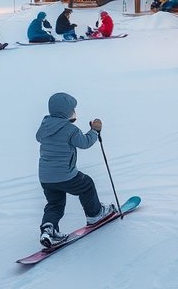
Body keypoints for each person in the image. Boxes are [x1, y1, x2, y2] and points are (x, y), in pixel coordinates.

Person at [35, 92, 118, 247]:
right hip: (65, 175)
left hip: (46, 178)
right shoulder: (70, 130)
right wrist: (94, 131)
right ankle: (95, 214)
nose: (74, 112)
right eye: (72, 109)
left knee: (55, 204)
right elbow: (85, 143)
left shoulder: (45, 126)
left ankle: (48, 229)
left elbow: (47, 133)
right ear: (66, 111)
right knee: (86, 185)